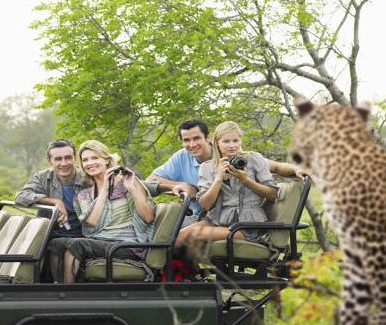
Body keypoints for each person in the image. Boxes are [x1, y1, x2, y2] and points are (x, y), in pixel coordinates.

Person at [148, 119, 306, 225]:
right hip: (201, 215)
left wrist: (297, 169)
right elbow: (151, 181)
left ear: (209, 138)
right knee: (161, 225)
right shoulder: (182, 158)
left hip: (230, 218)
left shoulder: (234, 157)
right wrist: (178, 185)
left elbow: (276, 167)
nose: (192, 144)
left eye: (196, 138)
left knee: (181, 234)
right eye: (186, 140)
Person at [62, 140, 156, 283]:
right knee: (57, 243)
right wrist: (104, 189)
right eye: (85, 160)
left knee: (77, 245)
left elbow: (148, 217)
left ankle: (66, 294)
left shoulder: (128, 181)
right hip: (99, 242)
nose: (90, 163)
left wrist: (132, 189)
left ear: (107, 160)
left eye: (95, 157)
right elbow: (92, 223)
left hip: (126, 245)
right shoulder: (84, 194)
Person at [175, 121, 278, 247]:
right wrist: (218, 179)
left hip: (247, 225)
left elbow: (272, 194)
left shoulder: (253, 159)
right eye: (226, 141)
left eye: (235, 141)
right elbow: (205, 206)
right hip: (217, 220)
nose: (232, 146)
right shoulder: (207, 167)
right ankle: (166, 266)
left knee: (195, 234)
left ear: (241, 140)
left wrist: (246, 180)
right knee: (179, 236)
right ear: (216, 143)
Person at [15, 139, 88, 279]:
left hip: (82, 235)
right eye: (58, 159)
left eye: (68, 158)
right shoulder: (43, 177)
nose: (63, 163)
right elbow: (20, 196)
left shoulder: (86, 178)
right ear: (49, 160)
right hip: (50, 234)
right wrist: (53, 201)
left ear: (75, 158)